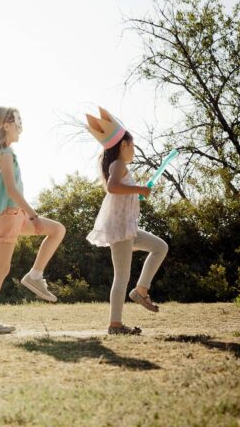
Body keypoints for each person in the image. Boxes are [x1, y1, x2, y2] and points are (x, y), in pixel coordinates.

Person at [0, 107, 65, 335]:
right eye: (17, 124)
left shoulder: (2, 153)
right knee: (0, 268)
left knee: (57, 230)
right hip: (8, 215)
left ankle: (35, 276)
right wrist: (33, 216)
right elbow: (11, 189)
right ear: (6, 126)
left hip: (12, 215)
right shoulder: (4, 153)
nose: (20, 129)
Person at [85, 107, 168, 335]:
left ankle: (141, 290)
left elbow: (120, 190)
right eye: (132, 146)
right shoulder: (119, 165)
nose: (133, 150)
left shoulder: (118, 166)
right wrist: (139, 188)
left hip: (128, 229)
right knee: (121, 276)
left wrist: (135, 192)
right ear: (123, 145)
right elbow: (113, 188)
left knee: (160, 247)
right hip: (121, 230)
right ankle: (115, 324)